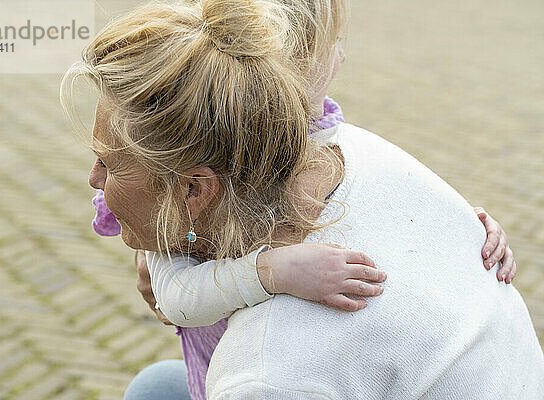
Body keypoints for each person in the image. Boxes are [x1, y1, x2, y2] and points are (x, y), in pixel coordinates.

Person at [60, 0, 543, 398]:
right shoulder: (350, 147)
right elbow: (180, 298)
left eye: (109, 164)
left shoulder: (265, 372)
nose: (91, 180)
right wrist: (459, 224)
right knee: (157, 385)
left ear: (193, 190)